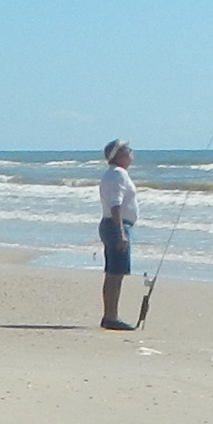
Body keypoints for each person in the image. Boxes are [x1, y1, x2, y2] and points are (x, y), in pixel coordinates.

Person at [97, 139, 140, 328]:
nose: (131, 153)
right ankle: (111, 317)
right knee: (115, 274)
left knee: (113, 273)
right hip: (117, 226)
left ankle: (110, 315)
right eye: (128, 150)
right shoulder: (118, 174)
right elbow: (115, 205)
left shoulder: (114, 174)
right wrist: (121, 232)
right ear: (119, 155)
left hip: (113, 225)